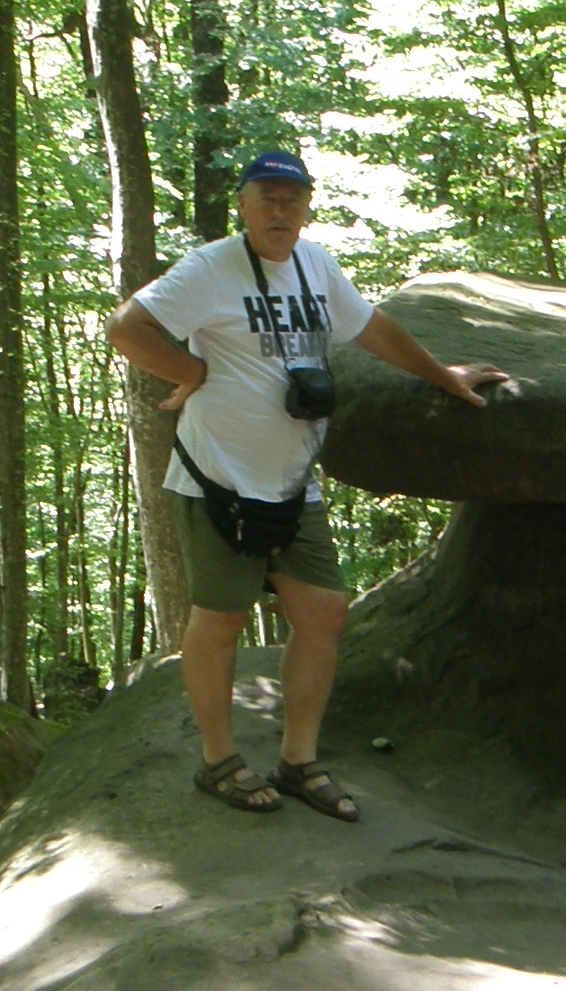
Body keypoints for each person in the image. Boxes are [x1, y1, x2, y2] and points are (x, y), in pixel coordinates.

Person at [106, 148, 505, 819]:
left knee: (322, 614)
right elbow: (126, 328)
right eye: (265, 196)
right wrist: (193, 373)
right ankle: (218, 761)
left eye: (291, 197)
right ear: (243, 203)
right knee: (222, 619)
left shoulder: (317, 265)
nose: (279, 209)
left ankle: (298, 761)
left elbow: (370, 328)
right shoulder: (212, 268)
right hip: (219, 479)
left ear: (308, 204)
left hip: (295, 480)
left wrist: (444, 375)